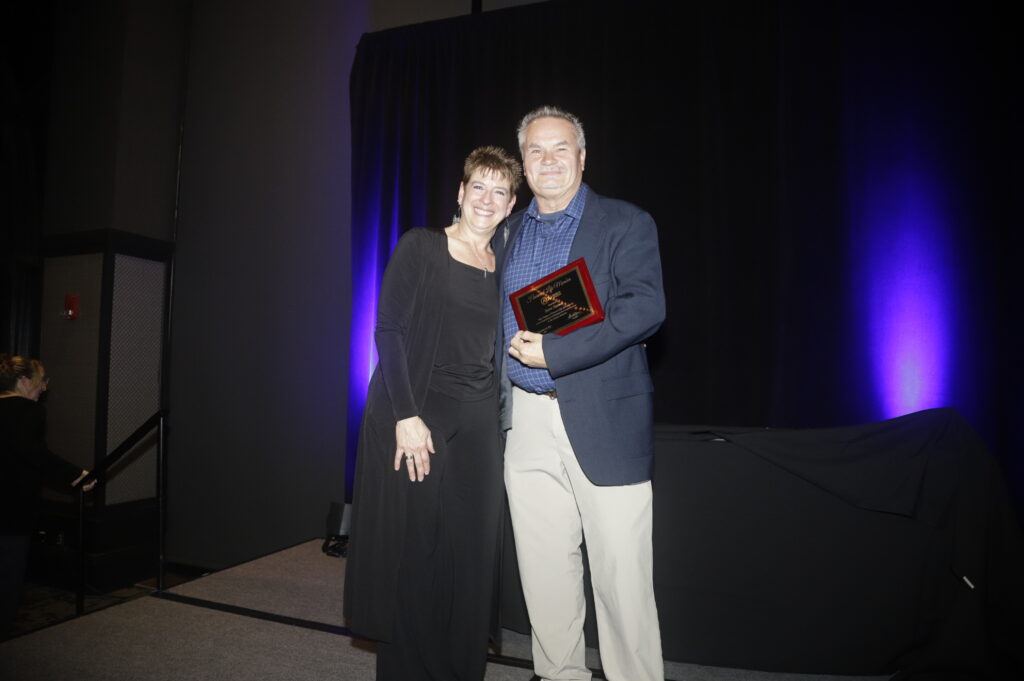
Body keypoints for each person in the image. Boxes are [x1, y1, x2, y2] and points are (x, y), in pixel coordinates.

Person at [495, 106, 666, 681]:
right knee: (543, 567)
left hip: (603, 418)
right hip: (525, 421)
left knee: (622, 576)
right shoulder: (508, 231)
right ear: (523, 163)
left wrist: (558, 352)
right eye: (536, 150)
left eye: (560, 148)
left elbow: (644, 309)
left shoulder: (626, 222)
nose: (548, 160)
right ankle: (558, 675)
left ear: (583, 157)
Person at [343, 146, 522, 680]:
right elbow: (389, 331)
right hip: (421, 413)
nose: (487, 199)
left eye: (499, 191)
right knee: (415, 549)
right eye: (478, 187)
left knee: (471, 553)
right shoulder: (422, 246)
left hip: (480, 421)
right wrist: (406, 416)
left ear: (511, 204)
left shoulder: (506, 264)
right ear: (460, 193)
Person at [0, 355, 94, 639]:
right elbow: (34, 453)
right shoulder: (27, 410)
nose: (45, 387)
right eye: (42, 381)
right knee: (7, 581)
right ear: (23, 381)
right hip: (12, 509)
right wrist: (76, 475)